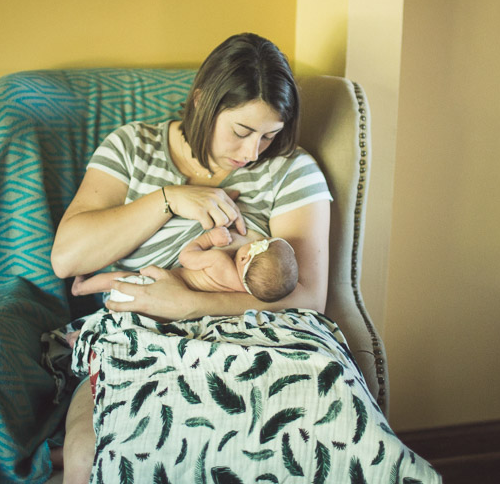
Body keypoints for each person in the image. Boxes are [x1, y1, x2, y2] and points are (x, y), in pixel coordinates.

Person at [49, 33, 332, 483]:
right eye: (241, 131)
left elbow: (309, 297)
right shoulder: (131, 146)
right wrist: (168, 199)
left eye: (269, 135)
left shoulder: (292, 170)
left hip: (253, 331)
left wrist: (189, 304)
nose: (251, 153)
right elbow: (67, 258)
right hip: (139, 335)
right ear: (201, 101)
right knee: (90, 457)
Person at [72, 227, 299, 302]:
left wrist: (208, 239)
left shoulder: (219, 261)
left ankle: (80, 288)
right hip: (160, 308)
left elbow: (186, 257)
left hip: (152, 286)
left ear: (243, 258)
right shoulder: (246, 293)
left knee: (117, 278)